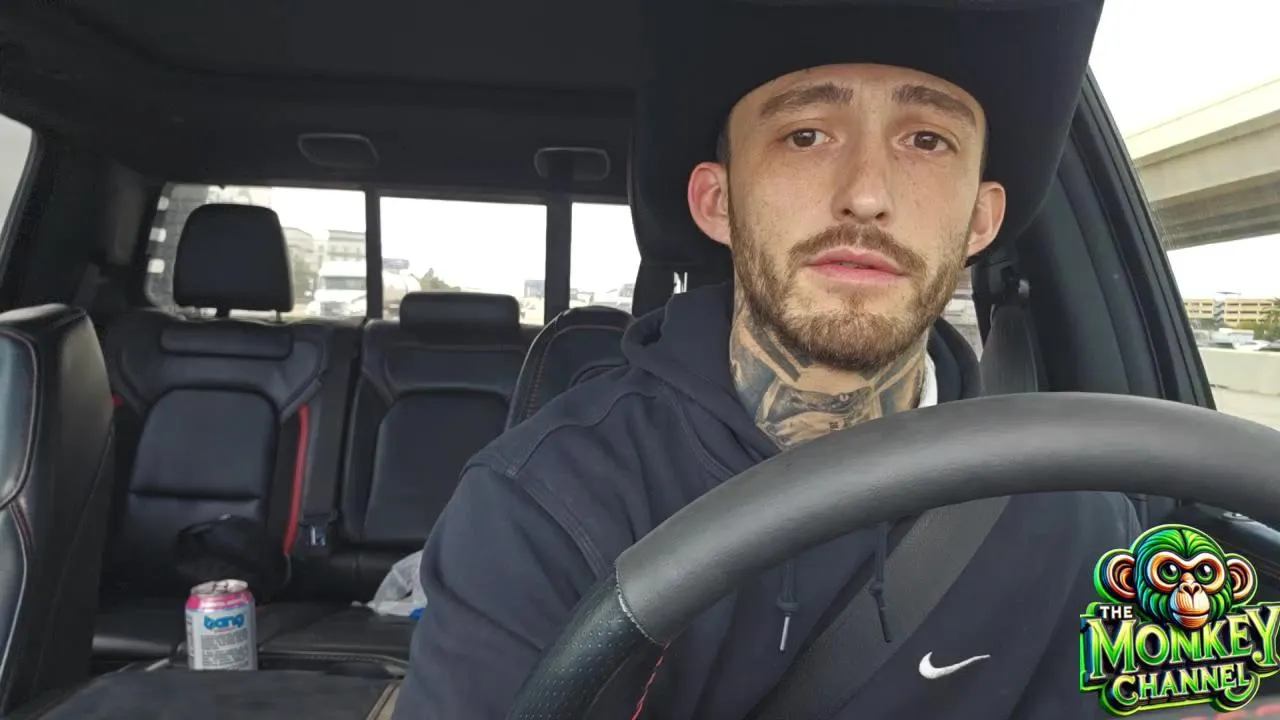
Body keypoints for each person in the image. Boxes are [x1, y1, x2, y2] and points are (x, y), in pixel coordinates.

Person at [393, 61, 1140, 719]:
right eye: (805, 136)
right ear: (718, 202)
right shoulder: (540, 501)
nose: (867, 195)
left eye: (926, 140)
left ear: (980, 218)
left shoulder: (1084, 515)